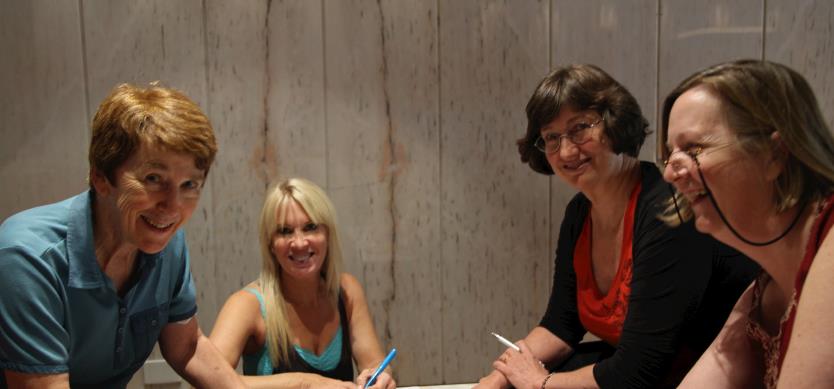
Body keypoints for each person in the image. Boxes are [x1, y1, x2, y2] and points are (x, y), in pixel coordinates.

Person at [474, 64, 759, 389]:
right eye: (551, 138)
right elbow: (561, 324)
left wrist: (540, 383)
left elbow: (639, 370)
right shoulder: (579, 212)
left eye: (579, 128)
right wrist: (497, 379)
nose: (566, 151)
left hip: (706, 375)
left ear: (616, 124)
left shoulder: (669, 209)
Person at [0, 83, 245, 388]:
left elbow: (187, 348)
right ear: (100, 178)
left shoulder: (166, 244)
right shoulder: (26, 256)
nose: (173, 206)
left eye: (189, 185)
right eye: (154, 179)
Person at [661, 60, 834, 388]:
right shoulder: (763, 291)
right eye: (670, 155)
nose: (670, 173)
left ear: (774, 155)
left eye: (694, 148)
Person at [208, 178, 395, 389]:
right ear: (270, 244)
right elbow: (206, 381)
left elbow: (374, 363)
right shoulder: (246, 305)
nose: (299, 243)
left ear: (327, 234)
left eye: (310, 227)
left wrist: (380, 376)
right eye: (285, 231)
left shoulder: (346, 291)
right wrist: (304, 383)